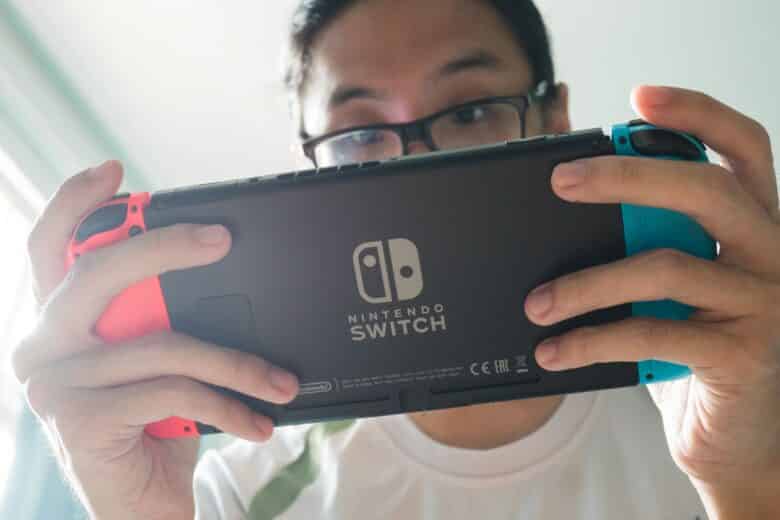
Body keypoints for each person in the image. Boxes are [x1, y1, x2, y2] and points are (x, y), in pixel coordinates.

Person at [11, 0, 780, 518]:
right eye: (358, 135)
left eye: (470, 111)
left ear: (557, 118)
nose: (415, 169)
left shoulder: (724, 397)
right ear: (306, 168)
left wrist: (748, 485)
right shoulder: (235, 496)